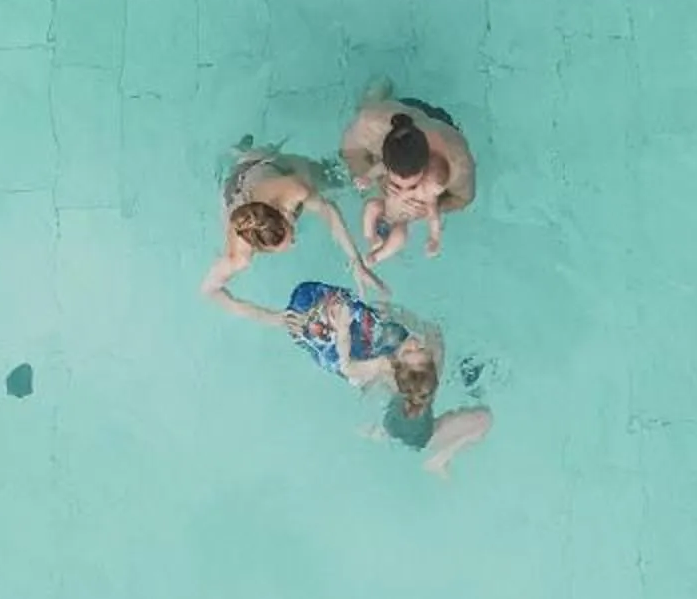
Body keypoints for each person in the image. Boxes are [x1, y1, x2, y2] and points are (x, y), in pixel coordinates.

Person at [214, 279, 493, 478]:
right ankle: (409, 445)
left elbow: (348, 368)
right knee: (481, 416)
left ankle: (419, 451)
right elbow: (429, 338)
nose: (416, 343)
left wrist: (344, 330)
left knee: (475, 413)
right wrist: (396, 316)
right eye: (416, 349)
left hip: (413, 431)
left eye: (413, 350)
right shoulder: (406, 376)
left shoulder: (387, 367)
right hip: (412, 424)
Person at [201, 146, 382, 300]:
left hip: (259, 166)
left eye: (290, 232)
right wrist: (274, 318)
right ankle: (238, 153)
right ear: (261, 249)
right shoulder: (239, 257)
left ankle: (243, 151)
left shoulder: (293, 191)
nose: (294, 242)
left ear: (283, 213)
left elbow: (328, 209)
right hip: (234, 193)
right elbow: (209, 290)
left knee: (337, 180)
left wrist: (355, 260)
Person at [339, 89, 475, 260]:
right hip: (400, 114)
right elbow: (350, 151)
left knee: (399, 233)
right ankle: (377, 93)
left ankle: (377, 255)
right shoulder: (372, 123)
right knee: (364, 110)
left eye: (412, 185)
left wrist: (422, 210)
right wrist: (371, 182)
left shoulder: (458, 164)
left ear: (425, 170)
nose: (403, 191)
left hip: (442, 124)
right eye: (396, 184)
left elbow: (462, 200)